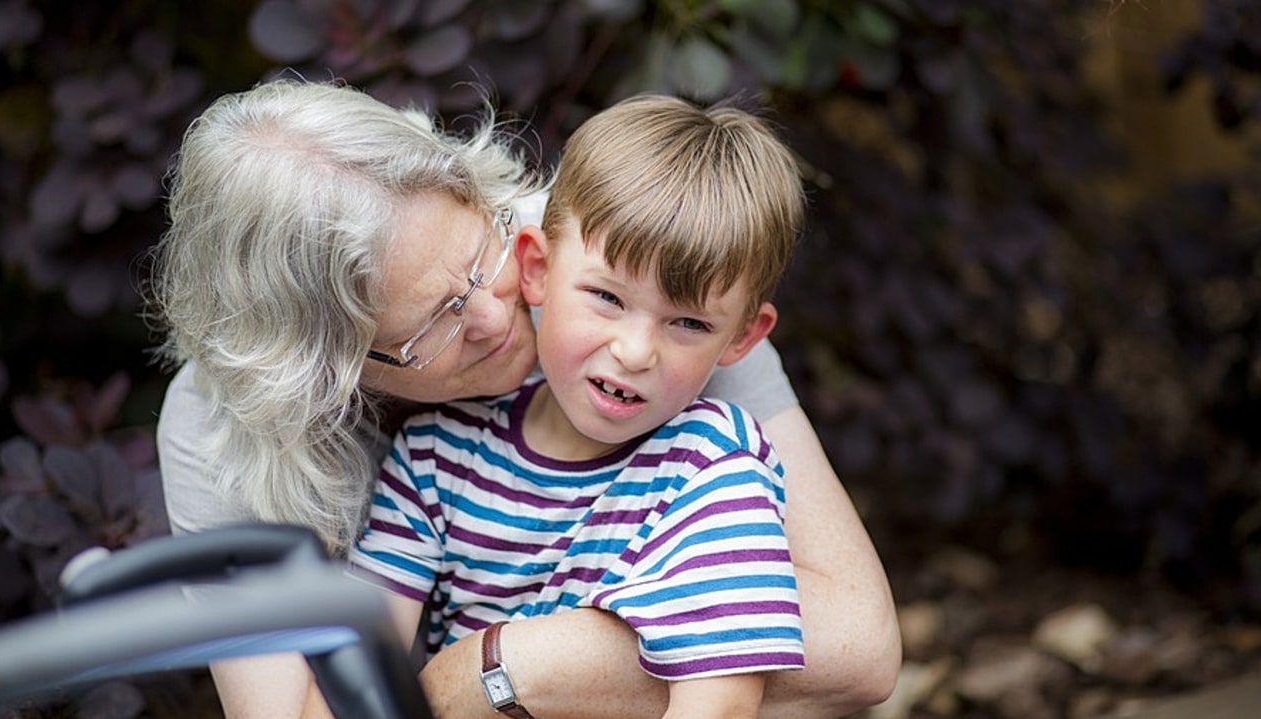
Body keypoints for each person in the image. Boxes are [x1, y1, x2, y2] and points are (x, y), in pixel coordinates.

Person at [150, 78, 900, 719]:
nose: (494, 313)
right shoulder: (234, 429)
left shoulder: (638, 261)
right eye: (436, 320)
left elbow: (858, 646)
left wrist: (495, 665)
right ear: (328, 368)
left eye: (482, 257)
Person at [349, 94, 806, 719]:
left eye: (690, 324)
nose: (636, 350)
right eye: (607, 298)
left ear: (742, 339)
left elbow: (718, 704)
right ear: (536, 268)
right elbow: (356, 677)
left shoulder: (712, 466)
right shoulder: (437, 457)